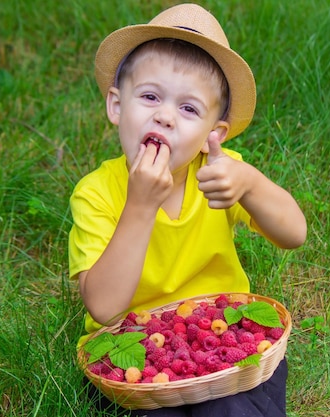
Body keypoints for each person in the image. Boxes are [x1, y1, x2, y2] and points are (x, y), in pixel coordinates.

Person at [69, 3, 307, 416]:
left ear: (210, 135)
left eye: (188, 108)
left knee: (231, 411)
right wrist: (140, 205)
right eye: (149, 96)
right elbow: (104, 307)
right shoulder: (96, 194)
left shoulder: (217, 174)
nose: (164, 116)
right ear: (116, 106)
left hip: (221, 337)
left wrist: (249, 183)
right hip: (132, 350)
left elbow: (294, 233)